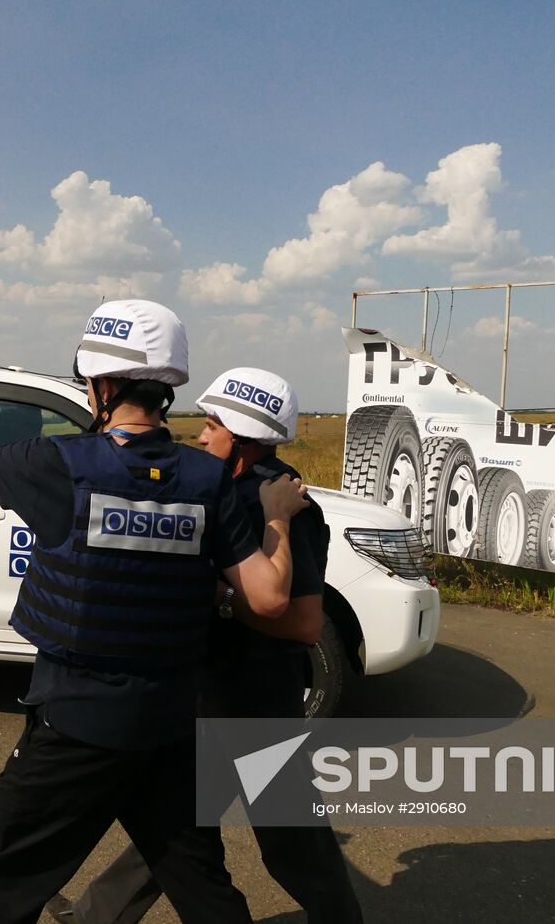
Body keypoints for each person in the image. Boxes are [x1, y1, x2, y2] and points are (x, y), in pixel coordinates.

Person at [0, 301, 311, 924]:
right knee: (199, 882)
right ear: (167, 389)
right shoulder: (209, 479)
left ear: (101, 387)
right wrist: (277, 515)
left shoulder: (60, 464)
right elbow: (270, 598)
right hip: (168, 725)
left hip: (75, 724)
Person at [56, 367, 364, 924]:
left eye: (214, 424)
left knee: (292, 845)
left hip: (255, 705)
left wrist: (219, 596)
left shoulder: (287, 507)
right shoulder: (225, 490)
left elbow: (303, 625)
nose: (200, 434)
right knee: (176, 826)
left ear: (243, 439)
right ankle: (95, 916)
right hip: (209, 692)